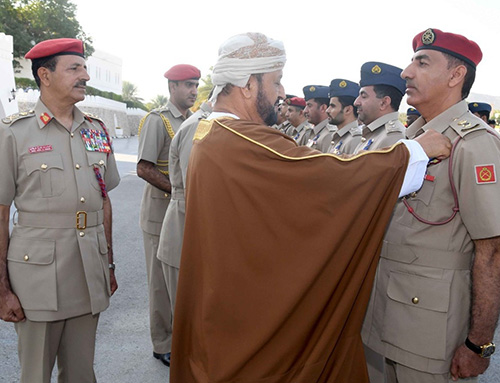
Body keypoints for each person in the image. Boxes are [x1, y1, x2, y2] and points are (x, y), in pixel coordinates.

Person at [169, 31, 452, 383]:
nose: (281, 94)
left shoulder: (212, 134)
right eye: (276, 82)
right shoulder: (243, 141)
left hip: (228, 308)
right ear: (247, 85)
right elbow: (328, 182)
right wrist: (416, 152)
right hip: (245, 326)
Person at [362, 28, 500, 383]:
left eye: (422, 62)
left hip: (428, 333)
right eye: (411, 62)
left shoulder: (474, 144)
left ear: (456, 75)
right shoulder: (410, 141)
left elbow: (492, 250)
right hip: (380, 315)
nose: (407, 72)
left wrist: (479, 344)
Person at [0, 38, 120, 383]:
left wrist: (108, 264)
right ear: (45, 75)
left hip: (88, 270)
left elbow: (104, 199)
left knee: (82, 374)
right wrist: (2, 288)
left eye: (85, 68)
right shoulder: (14, 134)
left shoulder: (95, 131)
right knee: (36, 374)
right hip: (37, 279)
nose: (85, 76)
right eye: (75, 68)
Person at [136, 63, 200, 367]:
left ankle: (181, 337)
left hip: (181, 213)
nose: (193, 91)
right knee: (160, 284)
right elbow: (144, 168)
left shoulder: (195, 121)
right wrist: (177, 189)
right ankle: (161, 343)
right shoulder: (157, 120)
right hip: (159, 214)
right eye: (187, 84)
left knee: (181, 280)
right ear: (172, 87)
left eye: (196, 84)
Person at [156, 97, 213, 322]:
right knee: (187, 318)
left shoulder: (202, 122)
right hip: (184, 227)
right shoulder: (199, 125)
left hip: (189, 226)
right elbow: (195, 188)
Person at [353, 61, 406, 153]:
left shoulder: (393, 138)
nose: (356, 102)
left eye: (364, 96)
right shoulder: (374, 133)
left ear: (384, 103)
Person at [326, 78, 363, 155]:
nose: (327, 110)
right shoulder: (338, 136)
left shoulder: (355, 139)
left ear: (348, 110)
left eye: (333, 106)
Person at [303, 85, 336, 152]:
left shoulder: (329, 134)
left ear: (323, 108)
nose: (305, 111)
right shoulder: (314, 131)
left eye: (309, 106)